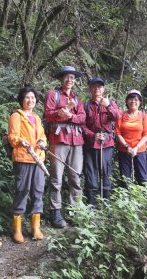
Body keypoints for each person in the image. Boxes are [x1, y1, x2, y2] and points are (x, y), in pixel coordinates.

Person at [44, 66, 86, 228]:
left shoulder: (77, 99)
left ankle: (76, 211)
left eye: (73, 78)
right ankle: (55, 212)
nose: (70, 80)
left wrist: (71, 116)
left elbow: (82, 118)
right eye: (67, 77)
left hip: (76, 141)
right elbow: (48, 114)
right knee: (56, 178)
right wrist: (63, 111)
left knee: (75, 177)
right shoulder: (52, 95)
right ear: (61, 79)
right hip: (58, 139)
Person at [7, 86, 47, 243]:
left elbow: (42, 135)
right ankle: (16, 229)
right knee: (22, 191)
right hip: (23, 158)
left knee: (38, 191)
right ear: (22, 100)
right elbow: (12, 136)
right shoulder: (16, 116)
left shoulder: (36, 117)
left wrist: (42, 142)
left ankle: (35, 227)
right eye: (27, 98)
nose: (31, 100)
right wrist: (20, 141)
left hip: (38, 159)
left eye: (33, 97)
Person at [82, 77, 120, 205]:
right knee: (90, 170)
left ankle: (105, 202)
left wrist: (108, 105)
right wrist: (93, 135)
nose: (97, 89)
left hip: (107, 142)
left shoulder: (111, 103)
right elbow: (82, 125)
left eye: (100, 87)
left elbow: (116, 117)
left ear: (103, 89)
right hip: (90, 143)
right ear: (90, 89)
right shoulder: (86, 105)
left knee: (105, 171)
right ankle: (91, 203)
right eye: (94, 86)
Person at [116, 89, 147, 185]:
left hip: (140, 150)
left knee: (142, 178)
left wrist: (136, 148)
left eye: (136, 99)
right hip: (124, 150)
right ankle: (126, 198)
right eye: (131, 99)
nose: (133, 101)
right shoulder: (121, 115)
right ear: (127, 101)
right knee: (125, 179)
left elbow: (146, 134)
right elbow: (118, 133)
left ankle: (142, 198)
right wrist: (127, 147)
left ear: (140, 102)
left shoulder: (144, 116)